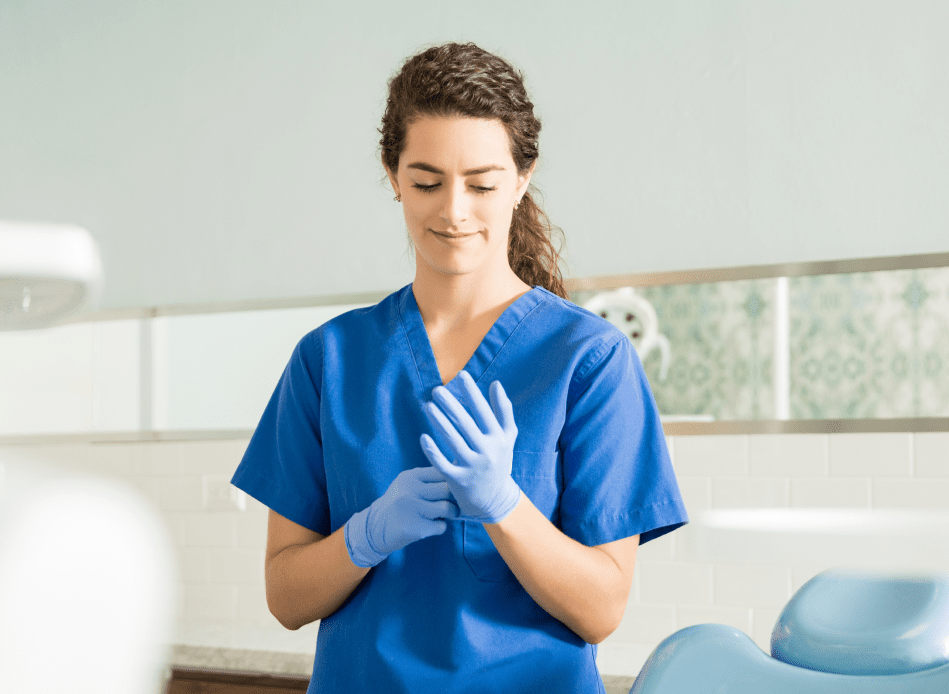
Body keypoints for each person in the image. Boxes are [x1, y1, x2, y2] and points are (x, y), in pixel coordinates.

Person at [230, 41, 688, 693]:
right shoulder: (328, 359)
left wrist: (504, 505)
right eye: (425, 180)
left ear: (521, 179)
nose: (453, 210)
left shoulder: (588, 359)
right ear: (392, 177)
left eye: (481, 183)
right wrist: (364, 535)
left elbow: (600, 609)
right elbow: (286, 597)